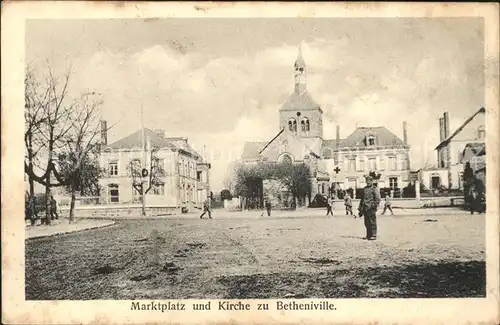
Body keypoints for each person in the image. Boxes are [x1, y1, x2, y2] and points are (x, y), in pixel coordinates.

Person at [358, 176, 381, 240]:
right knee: (366, 222)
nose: (368, 182)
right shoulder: (364, 189)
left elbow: (378, 199)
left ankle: (374, 235)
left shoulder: (374, 188)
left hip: (371, 208)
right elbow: (362, 199)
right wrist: (360, 209)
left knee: (372, 222)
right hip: (365, 208)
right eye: (367, 181)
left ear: (372, 181)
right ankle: (368, 235)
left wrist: (373, 206)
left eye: (369, 181)